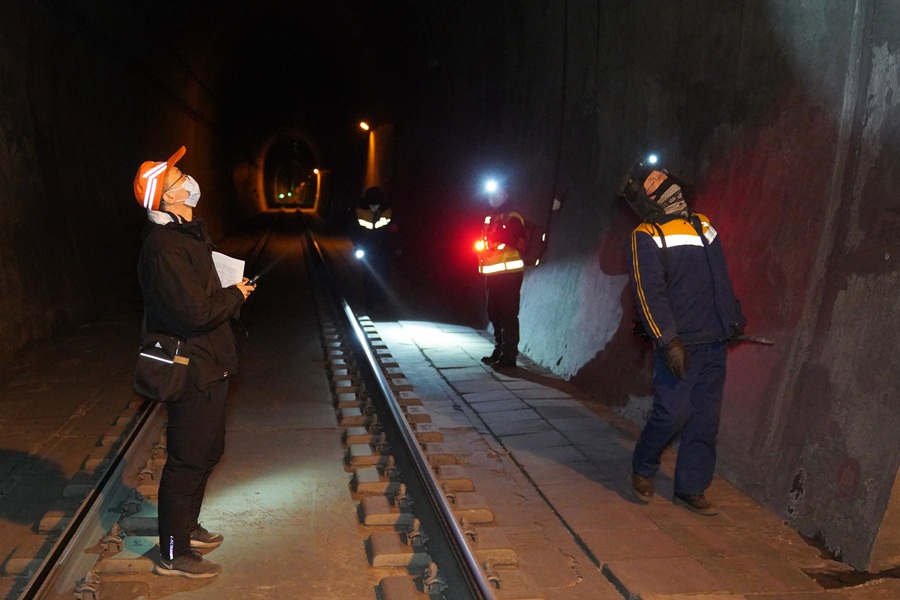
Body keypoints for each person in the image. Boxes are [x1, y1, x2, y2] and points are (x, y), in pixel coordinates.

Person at [133, 146, 256, 577]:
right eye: (179, 176)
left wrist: (229, 289)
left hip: (212, 358)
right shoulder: (164, 247)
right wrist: (234, 295)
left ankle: (186, 527)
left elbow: (203, 298)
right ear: (167, 198)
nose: (188, 178)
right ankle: (171, 550)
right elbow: (194, 313)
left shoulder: (186, 232)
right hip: (191, 367)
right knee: (187, 459)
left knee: (209, 450)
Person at [618, 159, 745, 516]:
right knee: (672, 412)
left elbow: (720, 276)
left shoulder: (702, 223)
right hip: (680, 343)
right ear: (651, 202)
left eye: (675, 189)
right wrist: (667, 341)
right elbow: (648, 293)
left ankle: (691, 487)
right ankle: (643, 466)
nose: (676, 196)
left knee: (706, 418)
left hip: (714, 339)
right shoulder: (645, 235)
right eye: (665, 194)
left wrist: (732, 319)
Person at [477, 185, 526, 369]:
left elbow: (519, 241)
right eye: (490, 194)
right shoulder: (490, 217)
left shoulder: (513, 216)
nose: (492, 197)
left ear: (505, 195)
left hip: (509, 274)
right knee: (494, 313)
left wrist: (504, 234)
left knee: (508, 315)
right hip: (493, 274)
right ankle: (498, 351)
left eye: (496, 193)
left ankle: (509, 357)